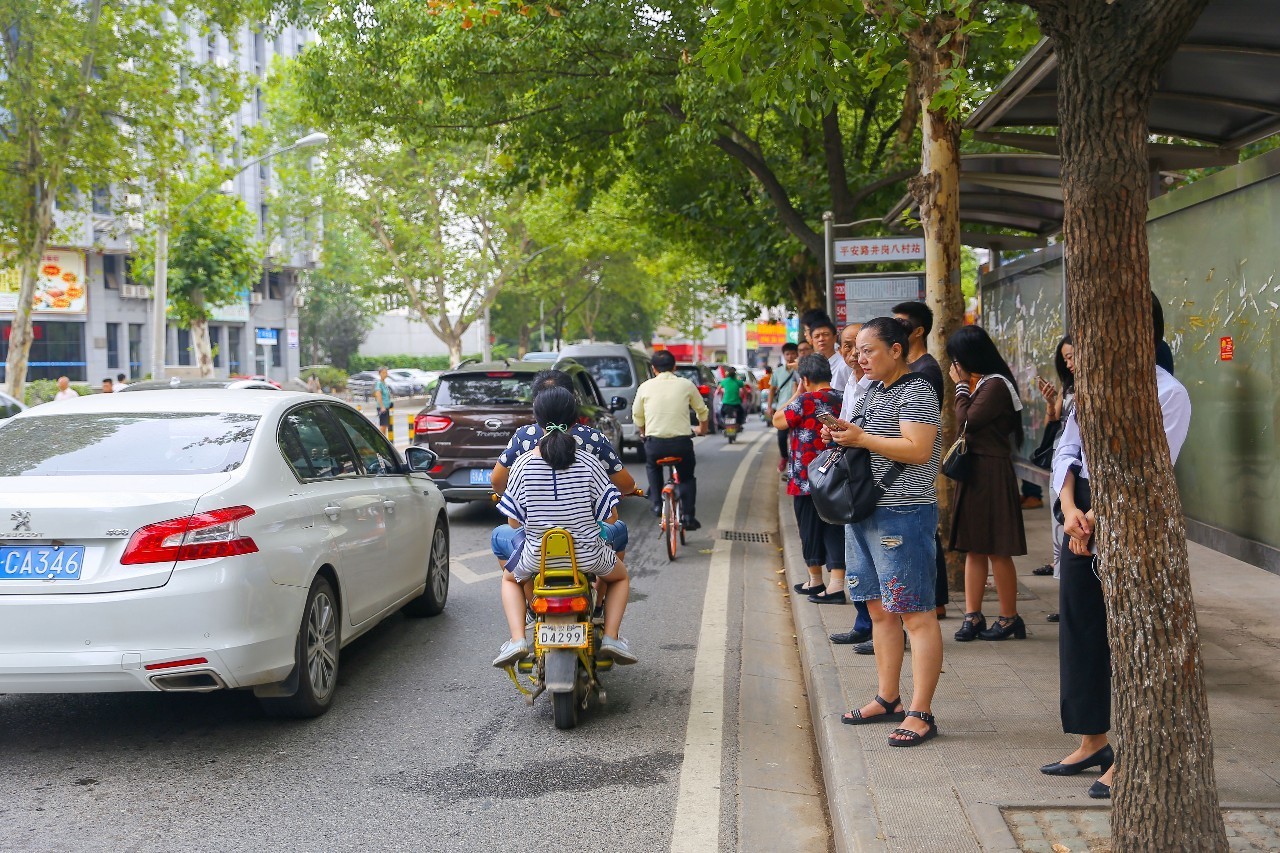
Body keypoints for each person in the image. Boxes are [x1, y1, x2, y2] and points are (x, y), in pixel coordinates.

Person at [1041, 301, 1190, 799]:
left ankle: (1132, 754)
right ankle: (1092, 741)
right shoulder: (1090, 388)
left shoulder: (1169, 393)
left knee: (1131, 637)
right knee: (1080, 626)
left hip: (1132, 517)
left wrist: (1097, 517)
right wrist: (1068, 509)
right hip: (1079, 508)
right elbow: (1067, 449)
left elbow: (1152, 468)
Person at [825, 317, 943, 746]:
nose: (859, 358)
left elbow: (919, 449)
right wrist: (842, 435)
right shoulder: (872, 390)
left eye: (868, 350)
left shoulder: (918, 390)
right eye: (856, 350)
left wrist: (861, 438)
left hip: (903, 513)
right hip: (865, 511)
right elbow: (865, 439)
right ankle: (887, 698)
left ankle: (921, 711)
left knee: (915, 613)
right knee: (878, 610)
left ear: (897, 350)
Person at [492, 387, 637, 668]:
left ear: (537, 419)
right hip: (588, 556)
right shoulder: (589, 462)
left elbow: (513, 522)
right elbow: (610, 516)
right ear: (576, 419)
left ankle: (517, 640)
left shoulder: (522, 464)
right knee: (619, 578)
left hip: (537, 557)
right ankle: (611, 638)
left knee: (510, 579)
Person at [490, 370, 637, 569]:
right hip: (587, 548)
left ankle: (526, 595)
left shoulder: (523, 440)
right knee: (617, 537)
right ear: (572, 403)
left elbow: (497, 483)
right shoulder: (592, 441)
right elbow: (625, 487)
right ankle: (600, 595)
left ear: (537, 407)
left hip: (535, 549)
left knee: (504, 546)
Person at [946, 326, 1028, 642]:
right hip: (976, 471)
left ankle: (1009, 618)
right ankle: (973, 615)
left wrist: (961, 388)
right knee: (974, 548)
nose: (956, 365)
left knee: (997, 550)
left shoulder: (995, 385)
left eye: (957, 358)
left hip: (991, 472)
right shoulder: (984, 382)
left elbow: (968, 420)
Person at [892, 301, 951, 622]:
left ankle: (934, 600)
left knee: (923, 531)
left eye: (900, 324)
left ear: (918, 331)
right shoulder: (907, 366)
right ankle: (934, 599)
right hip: (903, 460)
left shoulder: (925, 370)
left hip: (915, 460)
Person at [772, 355, 846, 605]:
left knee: (809, 529)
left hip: (806, 479)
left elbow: (777, 421)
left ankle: (815, 580)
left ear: (804, 379)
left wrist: (797, 393)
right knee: (835, 528)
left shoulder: (803, 401)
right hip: (835, 477)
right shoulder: (842, 397)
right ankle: (836, 585)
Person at [828, 323, 875, 646]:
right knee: (857, 561)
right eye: (846, 347)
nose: (852, 354)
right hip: (852, 479)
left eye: (859, 347)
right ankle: (864, 623)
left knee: (878, 564)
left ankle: (884, 628)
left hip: (876, 484)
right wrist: (832, 433)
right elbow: (847, 426)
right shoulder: (850, 384)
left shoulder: (884, 385)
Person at [633, 350, 709, 531]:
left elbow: (637, 415)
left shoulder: (645, 386)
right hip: (681, 444)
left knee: (652, 466)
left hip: (654, 444)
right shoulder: (686, 384)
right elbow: (702, 411)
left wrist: (644, 432)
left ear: (653, 369)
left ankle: (657, 503)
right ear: (674, 367)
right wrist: (702, 429)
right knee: (687, 478)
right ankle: (689, 516)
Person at [1031, 336, 1076, 618]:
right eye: (1065, 358)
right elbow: (1054, 422)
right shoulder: (1068, 386)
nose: (1069, 363)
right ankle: (1067, 602)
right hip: (1061, 463)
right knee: (1061, 528)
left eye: (1072, 356)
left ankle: (1074, 602)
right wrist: (1050, 403)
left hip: (1079, 467)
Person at [770, 343, 800, 471]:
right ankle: (784, 457)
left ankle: (795, 464)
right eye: (787, 354)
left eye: (793, 353)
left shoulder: (801, 370)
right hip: (782, 409)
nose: (790, 356)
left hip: (799, 408)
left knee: (797, 437)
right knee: (781, 437)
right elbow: (772, 389)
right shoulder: (778, 372)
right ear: (784, 355)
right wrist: (769, 406)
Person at [808, 315, 852, 393]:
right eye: (817, 336)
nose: (821, 339)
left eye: (825, 334)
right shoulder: (810, 365)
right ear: (811, 341)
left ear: (834, 338)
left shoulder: (844, 364)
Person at [717, 365, 747, 432]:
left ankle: (723, 425)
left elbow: (718, 390)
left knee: (721, 413)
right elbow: (745, 391)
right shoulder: (738, 381)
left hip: (726, 403)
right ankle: (738, 425)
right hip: (736, 403)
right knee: (741, 413)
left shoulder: (724, 381)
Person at [374, 367, 393, 439]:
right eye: (383, 373)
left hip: (386, 407)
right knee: (383, 425)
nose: (385, 374)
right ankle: (381, 440)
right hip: (382, 408)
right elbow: (378, 394)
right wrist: (382, 406)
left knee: (385, 425)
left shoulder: (384, 383)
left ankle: (384, 439)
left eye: (386, 372)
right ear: (380, 374)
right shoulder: (379, 383)